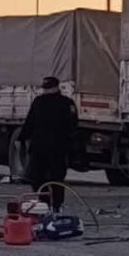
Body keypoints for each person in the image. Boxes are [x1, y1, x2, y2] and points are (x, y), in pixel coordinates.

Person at [18, 77, 79, 213]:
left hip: (40, 147)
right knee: (56, 178)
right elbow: (73, 125)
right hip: (57, 148)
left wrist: (22, 138)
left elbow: (29, 123)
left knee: (38, 178)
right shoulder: (66, 103)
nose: (46, 90)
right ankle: (56, 205)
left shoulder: (39, 102)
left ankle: (45, 203)